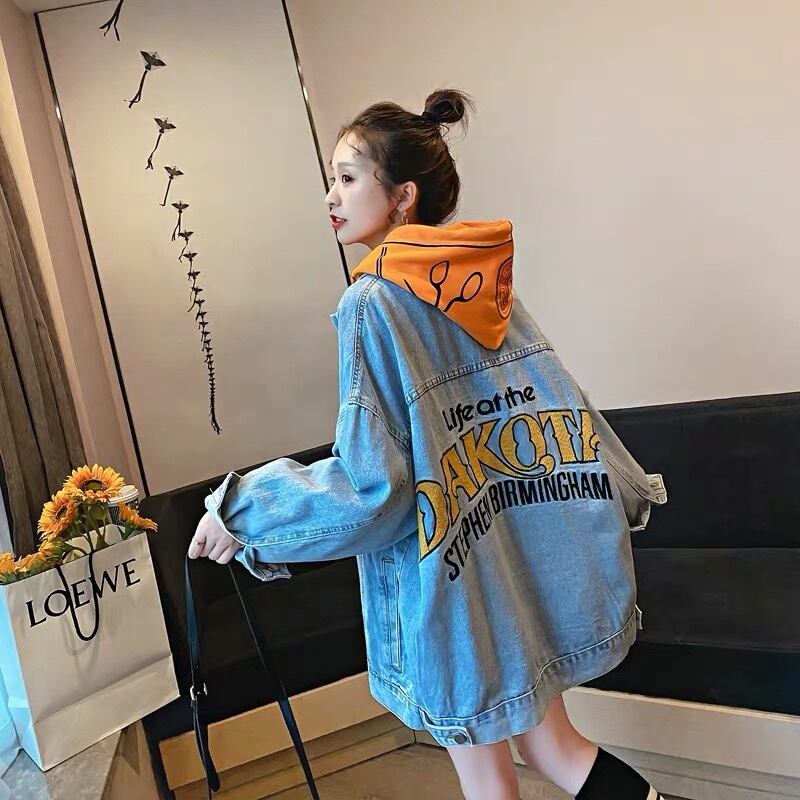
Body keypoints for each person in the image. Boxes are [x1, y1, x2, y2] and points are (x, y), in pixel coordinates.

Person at [189, 89, 668, 800]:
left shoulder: (371, 302)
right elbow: (560, 407)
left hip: (450, 581)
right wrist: (625, 489)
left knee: (490, 779)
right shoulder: (481, 284)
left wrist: (245, 513)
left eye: (348, 178)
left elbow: (374, 490)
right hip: (518, 563)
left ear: (402, 195)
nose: (331, 196)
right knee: (556, 748)